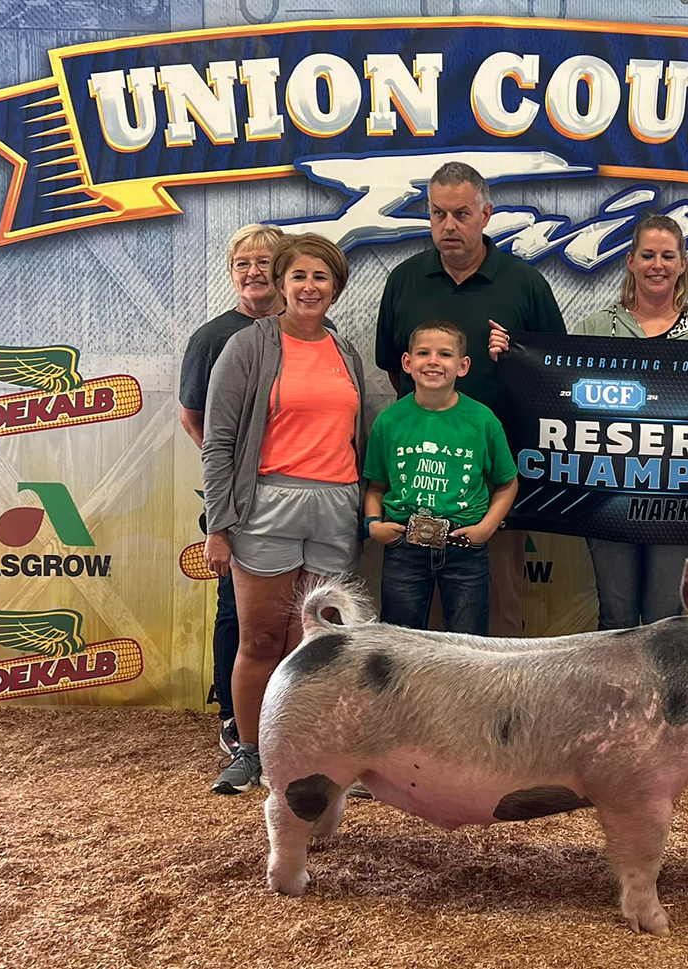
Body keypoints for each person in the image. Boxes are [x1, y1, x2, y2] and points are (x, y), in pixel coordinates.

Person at [492, 216, 688, 628]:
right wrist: (513, 356)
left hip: (682, 501)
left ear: (682, 264)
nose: (657, 264)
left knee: (666, 616)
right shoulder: (596, 327)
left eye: (667, 256)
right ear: (630, 261)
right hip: (606, 496)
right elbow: (557, 390)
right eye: (647, 255)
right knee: (617, 613)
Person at [202, 233, 367, 795]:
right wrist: (218, 525)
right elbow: (218, 443)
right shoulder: (247, 346)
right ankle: (250, 752)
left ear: (336, 288)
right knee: (261, 639)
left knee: (316, 645)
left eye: (321, 277)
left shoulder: (345, 351)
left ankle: (308, 758)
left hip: (335, 506)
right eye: (298, 276)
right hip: (267, 506)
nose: (309, 287)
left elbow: (353, 435)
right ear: (281, 284)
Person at [376, 161, 566, 637]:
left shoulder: (524, 284)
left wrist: (517, 360)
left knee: (494, 613)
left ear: (485, 214)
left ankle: (495, 690)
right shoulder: (404, 280)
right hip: (416, 484)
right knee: (415, 626)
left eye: (461, 214)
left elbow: (557, 373)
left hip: (495, 479)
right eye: (438, 214)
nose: (448, 226)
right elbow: (392, 367)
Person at [179, 222, 284, 759]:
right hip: (240, 499)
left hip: (299, 493)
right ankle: (231, 715)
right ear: (231, 273)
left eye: (264, 262)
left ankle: (288, 713)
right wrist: (233, 472)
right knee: (234, 608)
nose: (253, 272)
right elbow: (192, 417)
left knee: (291, 612)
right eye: (243, 263)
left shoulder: (316, 330)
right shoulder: (212, 338)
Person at [363, 320, 519, 635]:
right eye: (423, 353)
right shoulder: (389, 422)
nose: (433, 361)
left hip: (465, 545)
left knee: (467, 642)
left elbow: (507, 482)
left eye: (445, 354)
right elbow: (376, 485)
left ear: (463, 366)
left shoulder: (482, 420)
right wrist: (372, 524)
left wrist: (486, 528)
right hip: (404, 546)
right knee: (399, 641)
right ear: (407, 363)